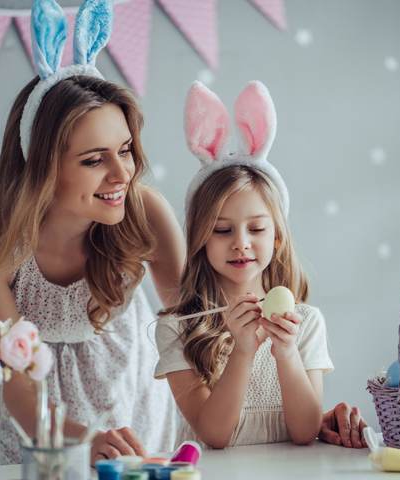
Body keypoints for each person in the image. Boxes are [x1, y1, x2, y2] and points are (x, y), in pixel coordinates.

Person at [0, 0, 184, 463]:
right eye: (94, 160)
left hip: (133, 424)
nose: (122, 174)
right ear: (42, 166)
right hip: (38, 438)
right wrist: (81, 440)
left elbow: (195, 333)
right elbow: (17, 386)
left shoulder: (144, 212)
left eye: (126, 150)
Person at [156, 81, 368, 449]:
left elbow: (304, 433)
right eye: (222, 230)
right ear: (201, 240)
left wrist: (285, 352)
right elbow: (214, 436)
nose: (241, 242)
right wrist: (241, 350)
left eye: (256, 228)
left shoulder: (306, 324)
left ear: (277, 239)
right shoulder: (178, 329)